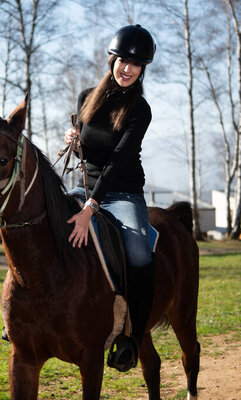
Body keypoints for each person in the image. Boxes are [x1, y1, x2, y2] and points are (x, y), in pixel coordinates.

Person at [64, 24, 156, 372]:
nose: (128, 69)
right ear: (112, 60)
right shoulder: (87, 96)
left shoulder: (140, 110)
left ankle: (132, 336)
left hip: (122, 192)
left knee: (138, 250)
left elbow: (117, 162)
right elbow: (87, 154)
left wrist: (91, 208)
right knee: (49, 224)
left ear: (143, 68)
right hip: (84, 186)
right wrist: (75, 141)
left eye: (137, 64)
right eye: (123, 61)